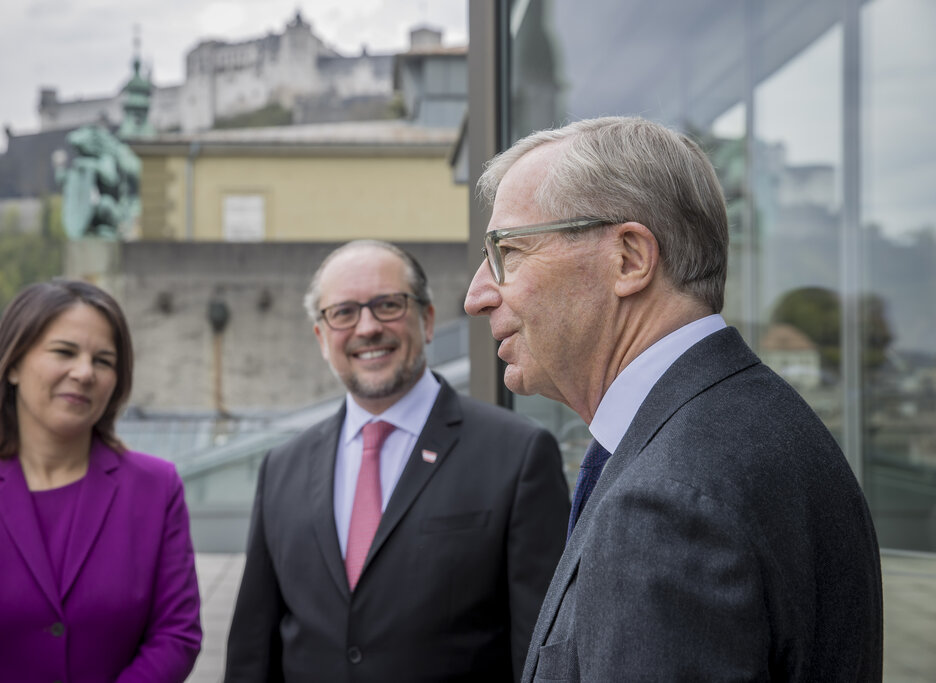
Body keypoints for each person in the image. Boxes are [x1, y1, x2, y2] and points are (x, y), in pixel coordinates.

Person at [464, 117, 883, 681]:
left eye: (508, 251)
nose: (477, 296)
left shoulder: (665, 504)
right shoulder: (757, 424)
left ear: (630, 259)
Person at [225, 240, 570, 682]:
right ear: (321, 337)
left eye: (388, 305)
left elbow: (541, 652)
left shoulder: (518, 456)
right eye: (343, 312)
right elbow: (252, 653)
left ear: (426, 320)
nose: (367, 327)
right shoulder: (282, 469)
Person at [0, 280, 202, 682]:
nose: (84, 372)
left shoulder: (156, 488)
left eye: (103, 361)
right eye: (64, 352)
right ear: (12, 364)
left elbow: (176, 635)